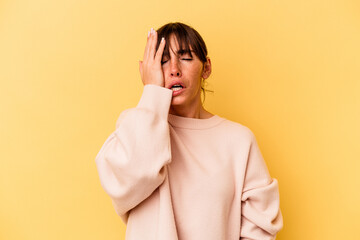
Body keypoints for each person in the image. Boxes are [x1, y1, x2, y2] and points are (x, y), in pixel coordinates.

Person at [95, 22, 283, 240]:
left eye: (185, 58)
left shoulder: (239, 141)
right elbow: (124, 184)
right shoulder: (135, 128)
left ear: (207, 67)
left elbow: (260, 227)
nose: (174, 69)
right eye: (163, 61)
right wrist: (152, 92)